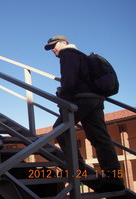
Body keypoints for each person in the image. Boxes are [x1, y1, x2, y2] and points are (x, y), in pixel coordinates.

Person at [44, 35, 125, 193]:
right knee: (100, 138)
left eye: (55, 45)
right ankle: (114, 179)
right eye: (50, 47)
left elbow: (69, 81)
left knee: (60, 129)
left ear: (64, 43)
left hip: (82, 99)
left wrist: (63, 99)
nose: (53, 48)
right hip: (95, 100)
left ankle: (79, 170)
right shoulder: (82, 56)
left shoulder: (67, 55)